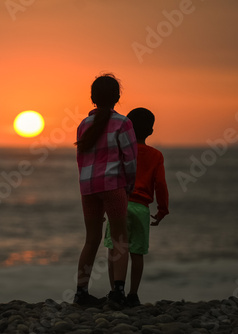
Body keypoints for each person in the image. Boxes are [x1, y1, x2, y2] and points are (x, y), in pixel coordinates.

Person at [74, 74, 137, 307]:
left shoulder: (83, 124)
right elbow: (130, 160)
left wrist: (86, 186)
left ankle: (80, 292)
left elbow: (80, 160)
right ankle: (118, 292)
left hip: (88, 187)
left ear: (92, 98)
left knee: (91, 239)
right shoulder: (123, 123)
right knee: (121, 238)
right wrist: (128, 188)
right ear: (118, 97)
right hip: (113, 185)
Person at [103, 107, 169, 307]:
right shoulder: (156, 155)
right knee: (137, 253)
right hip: (141, 208)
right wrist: (162, 209)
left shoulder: (121, 152)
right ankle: (133, 294)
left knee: (115, 249)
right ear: (150, 131)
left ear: (127, 129)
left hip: (120, 203)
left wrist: (104, 205)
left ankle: (116, 291)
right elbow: (161, 184)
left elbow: (111, 178)